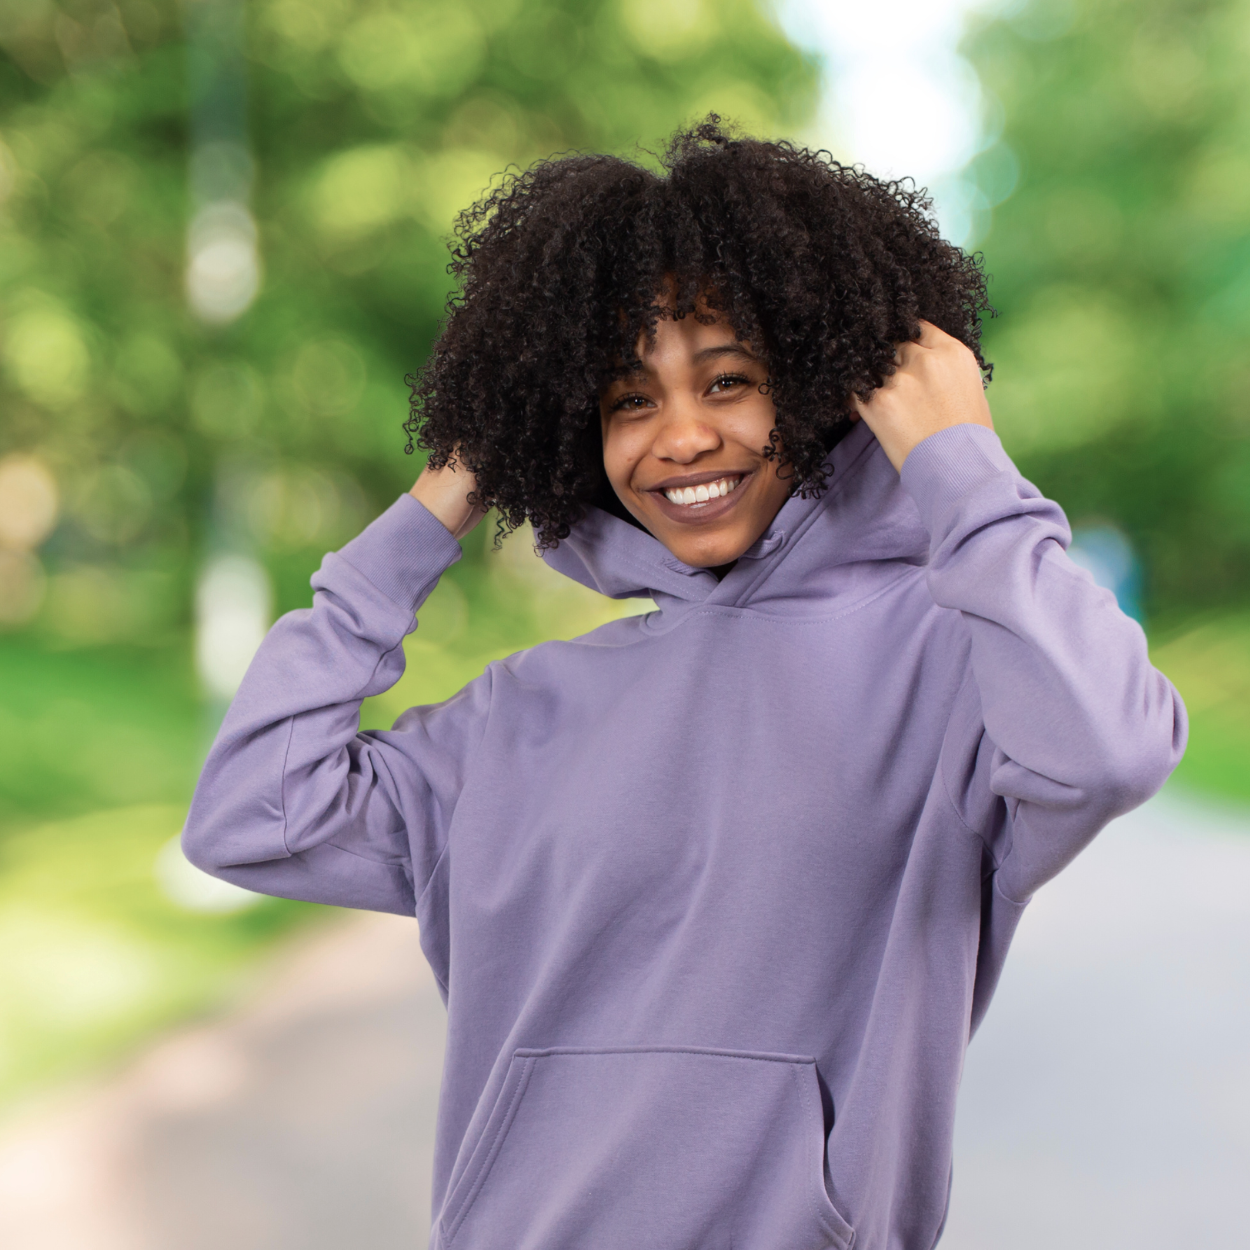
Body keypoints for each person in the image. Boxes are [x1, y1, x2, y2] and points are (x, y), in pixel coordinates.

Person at [183, 120, 1186, 1250]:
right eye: (627, 399)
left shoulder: (955, 670)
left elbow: (1108, 746)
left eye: (730, 379)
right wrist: (433, 508)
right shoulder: (515, 713)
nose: (682, 435)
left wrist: (956, 463)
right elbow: (248, 816)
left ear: (824, 387)